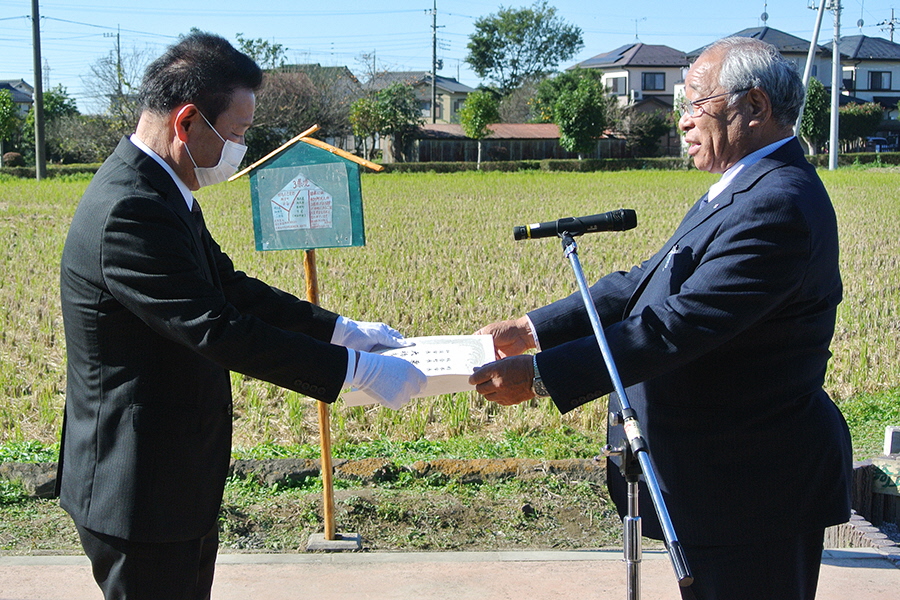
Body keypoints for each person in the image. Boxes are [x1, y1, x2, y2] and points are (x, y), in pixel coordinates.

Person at [469, 36, 852, 600]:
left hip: (751, 485)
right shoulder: (744, 186)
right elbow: (645, 283)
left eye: (696, 104)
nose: (683, 123)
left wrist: (544, 373)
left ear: (755, 108)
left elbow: (678, 324)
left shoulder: (779, 203)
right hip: (717, 481)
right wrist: (531, 328)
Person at [58, 32, 425, 600]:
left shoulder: (157, 188)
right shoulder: (130, 208)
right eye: (235, 134)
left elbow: (229, 288)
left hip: (172, 478)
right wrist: (354, 371)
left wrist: (341, 331)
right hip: (138, 487)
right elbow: (217, 328)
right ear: (185, 122)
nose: (240, 148)